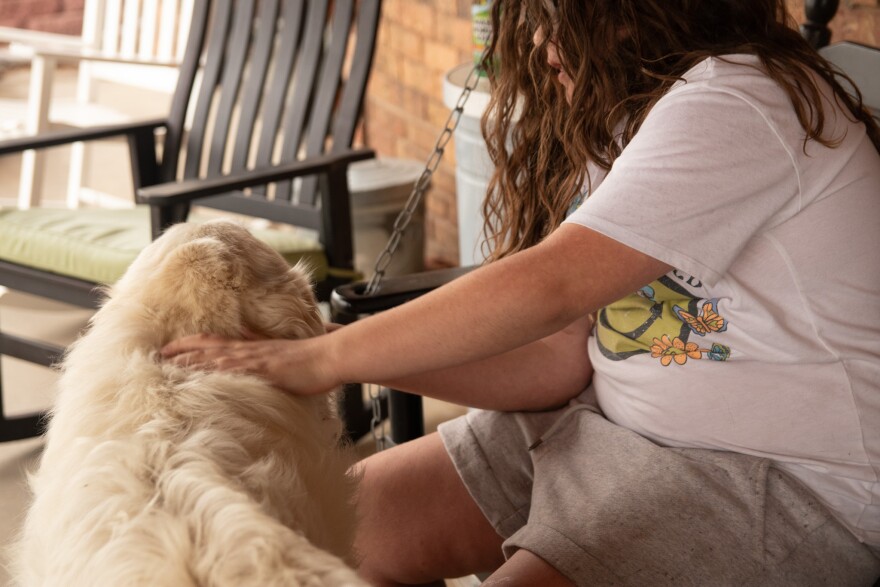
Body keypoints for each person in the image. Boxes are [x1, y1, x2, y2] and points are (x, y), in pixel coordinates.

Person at [162, 1, 880, 585]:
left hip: (778, 487)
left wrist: (325, 356)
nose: (540, 45)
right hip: (603, 430)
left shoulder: (739, 99)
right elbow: (555, 357)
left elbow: (550, 286)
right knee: (312, 535)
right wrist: (331, 353)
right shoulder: (634, 121)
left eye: (554, 18)